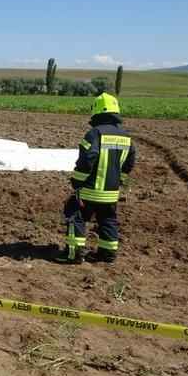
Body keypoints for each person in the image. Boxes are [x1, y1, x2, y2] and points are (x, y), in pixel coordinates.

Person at [59, 93, 136, 264]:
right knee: (108, 219)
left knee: (75, 214)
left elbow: (87, 160)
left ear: (96, 111)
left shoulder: (94, 134)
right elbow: (129, 163)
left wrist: (77, 181)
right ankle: (107, 254)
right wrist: (119, 180)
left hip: (90, 190)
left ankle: (74, 254)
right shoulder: (126, 137)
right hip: (111, 193)